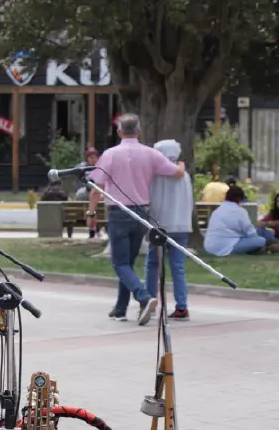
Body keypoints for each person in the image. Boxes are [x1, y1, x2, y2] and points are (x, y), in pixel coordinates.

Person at [88, 114, 186, 324]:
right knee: (128, 263)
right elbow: (176, 173)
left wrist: (91, 213)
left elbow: (96, 187)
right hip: (141, 214)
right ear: (139, 132)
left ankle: (143, 297)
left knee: (120, 263)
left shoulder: (110, 155)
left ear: (119, 132)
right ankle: (121, 308)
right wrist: (182, 165)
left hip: (118, 212)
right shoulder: (150, 154)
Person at [144, 140, 194, 321]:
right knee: (178, 267)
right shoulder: (184, 175)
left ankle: (148, 300)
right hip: (181, 226)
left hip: (161, 225)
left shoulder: (157, 174)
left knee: (152, 264)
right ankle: (182, 306)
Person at [204, 185, 279, 256]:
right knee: (261, 240)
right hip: (227, 246)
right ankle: (272, 246)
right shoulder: (239, 211)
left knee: (260, 231)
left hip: (209, 246)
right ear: (240, 198)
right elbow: (250, 233)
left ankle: (270, 245)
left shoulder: (218, 210)